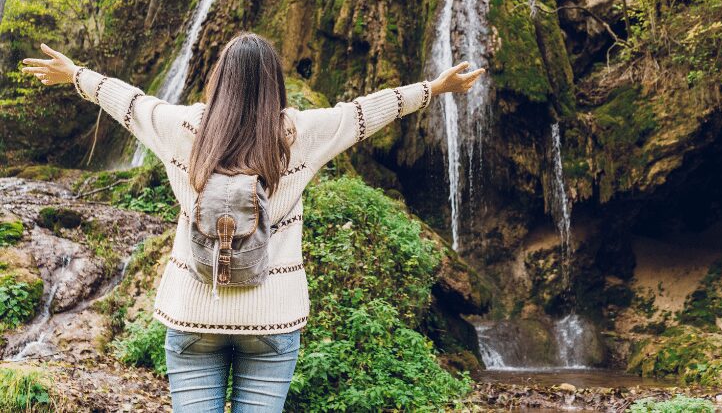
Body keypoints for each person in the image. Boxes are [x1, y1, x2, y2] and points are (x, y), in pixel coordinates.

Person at [22, 34, 484, 412]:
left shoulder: (180, 126)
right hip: (272, 316)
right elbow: (364, 113)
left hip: (193, 312)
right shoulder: (301, 132)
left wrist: (76, 74)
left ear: (219, 79)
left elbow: (128, 102)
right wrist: (435, 88)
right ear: (274, 84)